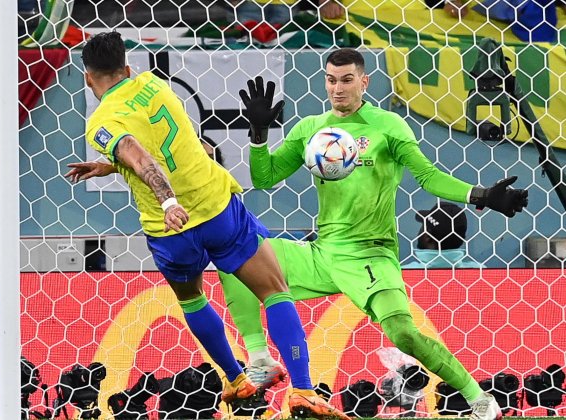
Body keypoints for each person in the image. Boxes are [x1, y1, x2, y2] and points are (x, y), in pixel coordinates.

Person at [219, 47, 527, 420]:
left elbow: (427, 176)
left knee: (404, 335)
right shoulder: (311, 130)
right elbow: (265, 178)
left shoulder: (388, 126)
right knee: (235, 255)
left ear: (364, 81)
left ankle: (480, 401)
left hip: (371, 254)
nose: (338, 89)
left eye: (347, 80)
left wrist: (480, 195)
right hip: (323, 253)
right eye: (331, 80)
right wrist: (257, 134)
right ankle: (259, 358)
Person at [64, 31, 350, 420]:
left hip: (169, 228)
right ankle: (302, 390)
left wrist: (166, 199)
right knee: (274, 289)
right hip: (214, 206)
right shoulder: (153, 84)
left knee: (191, 299)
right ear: (128, 68)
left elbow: (140, 156)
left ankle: (235, 378)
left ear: (87, 77)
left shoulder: (101, 120)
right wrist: (110, 166)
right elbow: (165, 145)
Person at [402, 201, 482, 269]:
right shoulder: (482, 273)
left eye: (423, 226)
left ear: (427, 235)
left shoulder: (400, 275)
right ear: (463, 239)